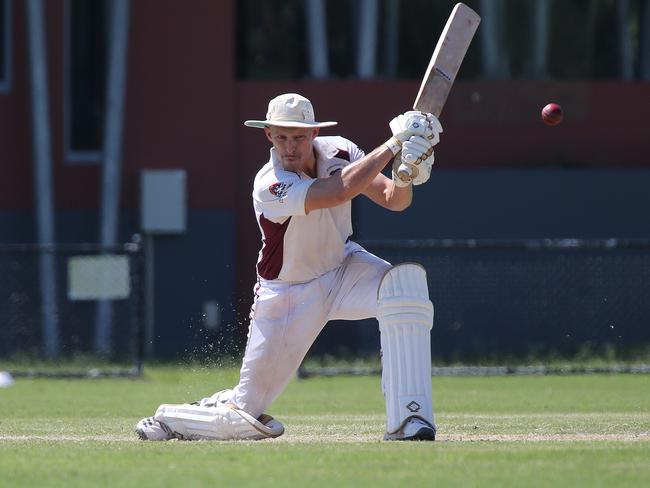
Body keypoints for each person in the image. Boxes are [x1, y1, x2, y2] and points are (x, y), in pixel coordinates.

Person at [136, 93, 443, 442]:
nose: (290, 147)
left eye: (298, 137)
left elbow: (394, 200)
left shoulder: (341, 151)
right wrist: (394, 144)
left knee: (404, 289)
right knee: (244, 420)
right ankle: (169, 418)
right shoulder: (269, 183)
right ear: (268, 135)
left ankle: (410, 420)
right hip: (288, 296)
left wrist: (407, 173)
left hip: (342, 268)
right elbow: (335, 192)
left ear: (313, 134)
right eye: (281, 137)